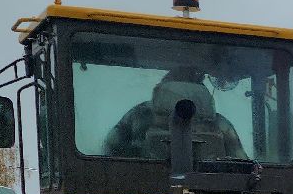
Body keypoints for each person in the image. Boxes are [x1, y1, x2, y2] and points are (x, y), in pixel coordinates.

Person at [103, 67, 248, 161]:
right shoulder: (220, 124)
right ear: (201, 89)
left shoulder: (138, 115)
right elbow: (243, 164)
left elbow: (111, 145)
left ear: (163, 86)